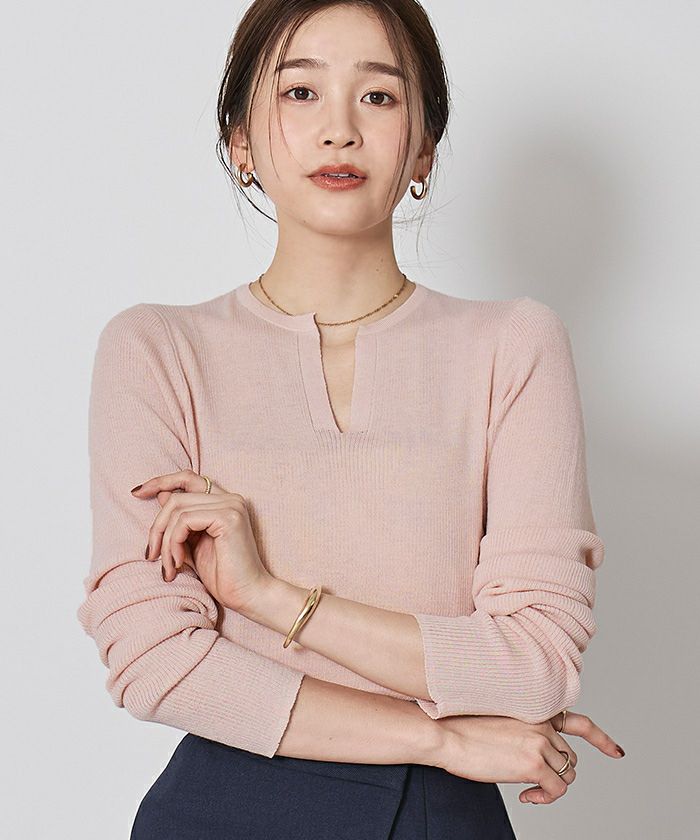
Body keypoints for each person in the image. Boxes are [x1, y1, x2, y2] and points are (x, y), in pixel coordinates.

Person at [76, 1, 625, 837]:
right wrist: (440, 737)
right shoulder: (157, 349)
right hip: (226, 807)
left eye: (378, 96)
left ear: (424, 149)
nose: (340, 130)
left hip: (438, 818)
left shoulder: (513, 346)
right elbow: (152, 658)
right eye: (300, 92)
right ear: (240, 142)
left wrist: (269, 597)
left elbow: (534, 667)